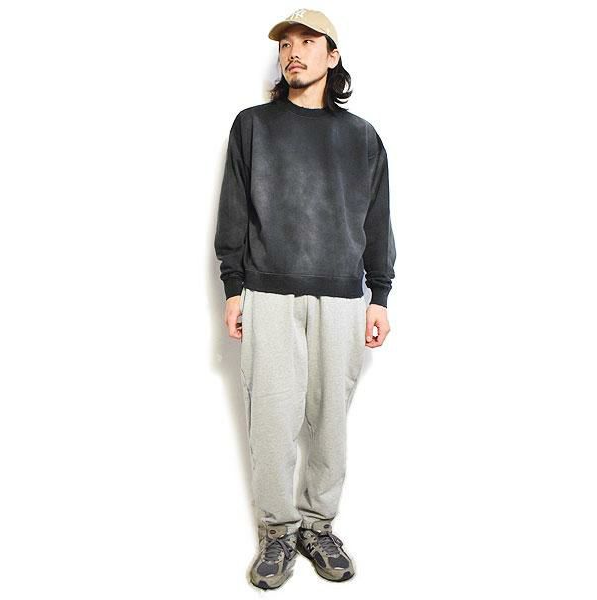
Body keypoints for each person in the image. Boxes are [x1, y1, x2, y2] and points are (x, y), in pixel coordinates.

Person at [214, 8, 396, 589]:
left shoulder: (362, 137)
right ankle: (278, 531)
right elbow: (235, 210)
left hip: (342, 295)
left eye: (309, 42)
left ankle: (318, 526)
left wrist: (379, 294)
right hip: (267, 290)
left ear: (332, 56)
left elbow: (377, 220)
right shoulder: (253, 126)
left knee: (330, 421)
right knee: (271, 420)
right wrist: (234, 287)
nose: (294, 52)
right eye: (286, 44)